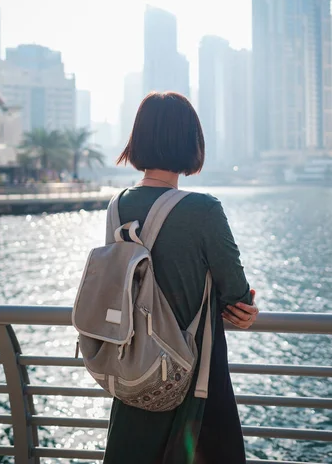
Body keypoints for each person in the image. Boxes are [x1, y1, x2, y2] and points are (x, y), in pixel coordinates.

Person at [104, 92, 258, 464]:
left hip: (132, 366)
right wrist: (246, 309)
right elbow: (236, 294)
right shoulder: (203, 209)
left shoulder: (117, 204)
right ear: (191, 141)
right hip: (191, 374)